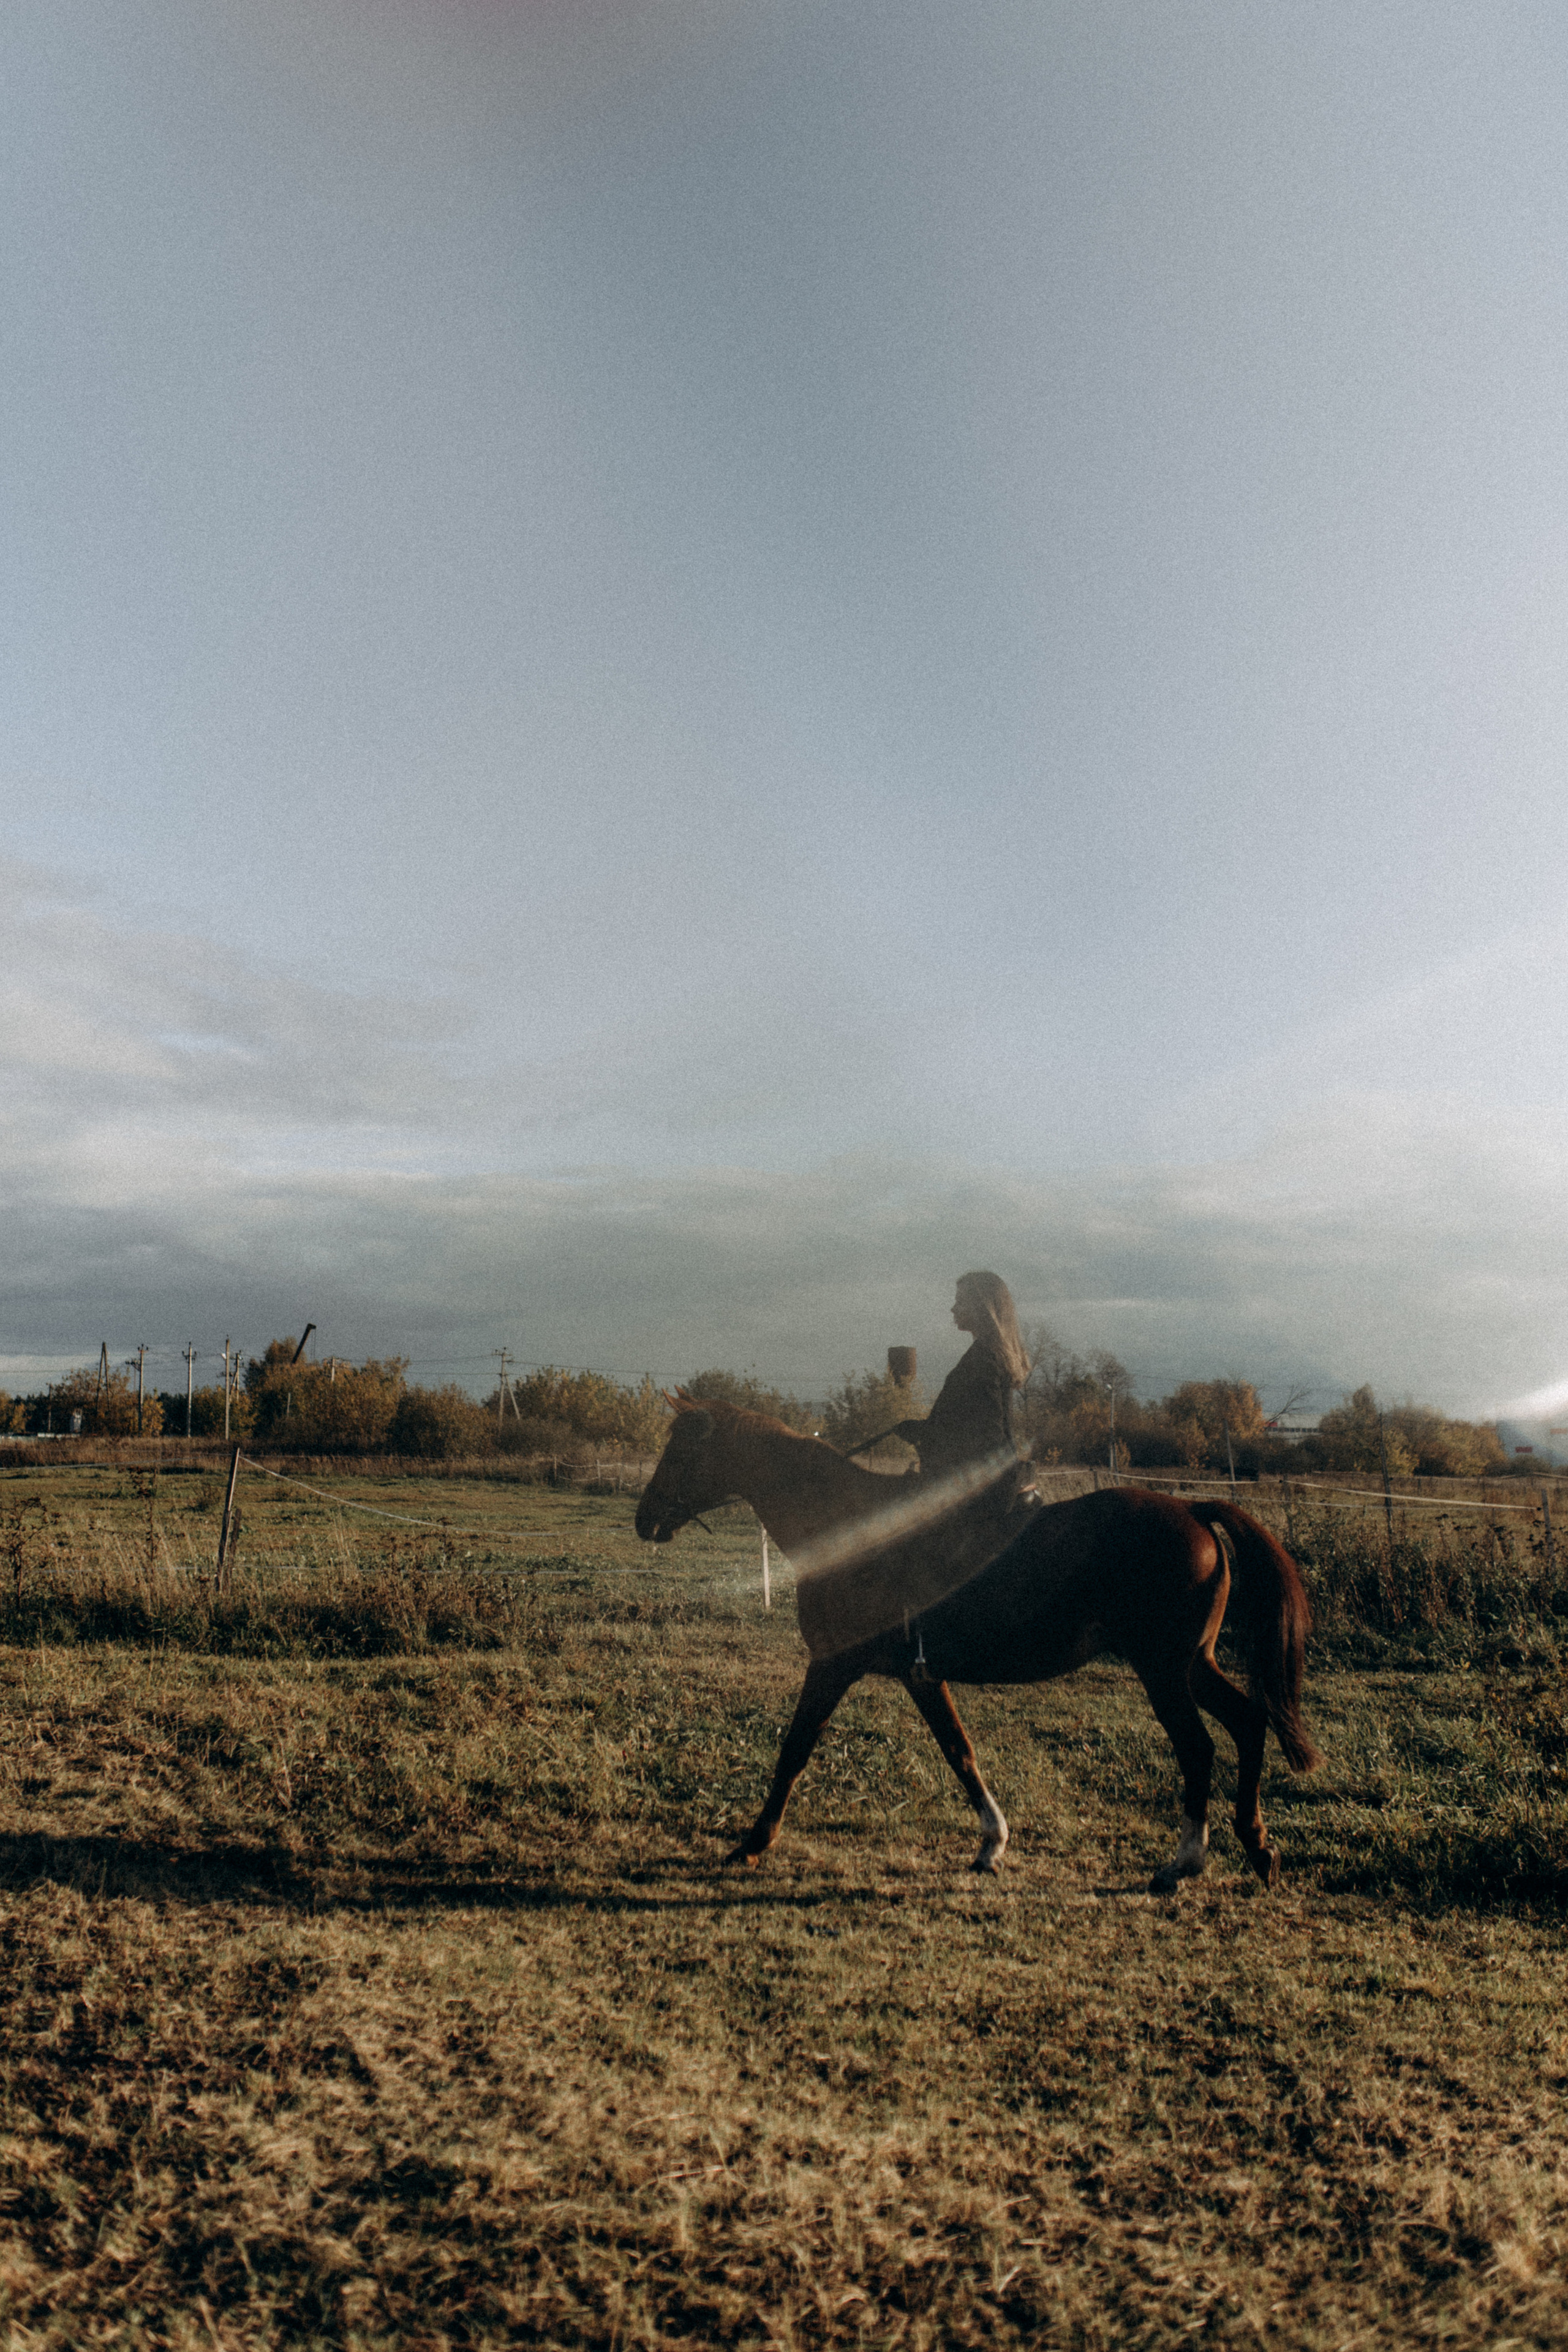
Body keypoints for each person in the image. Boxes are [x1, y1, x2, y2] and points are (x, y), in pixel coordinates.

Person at [890, 1271, 1032, 1482]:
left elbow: (988, 1436)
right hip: (990, 1481)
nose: (953, 1309)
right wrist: (922, 1429)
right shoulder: (988, 1354)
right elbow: (967, 1422)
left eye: (961, 1301)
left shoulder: (984, 1359)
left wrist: (924, 1433)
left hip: (980, 1486)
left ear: (983, 1307)